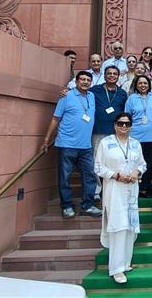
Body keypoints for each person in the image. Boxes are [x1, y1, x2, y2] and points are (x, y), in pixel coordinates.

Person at [94, 112, 146, 283]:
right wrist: (115, 175)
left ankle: (125, 263)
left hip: (131, 189)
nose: (124, 126)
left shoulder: (135, 143)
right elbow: (98, 167)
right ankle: (116, 268)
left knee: (129, 227)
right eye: (121, 123)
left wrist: (137, 172)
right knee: (118, 226)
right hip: (114, 190)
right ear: (115, 125)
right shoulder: (106, 142)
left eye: (127, 124)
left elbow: (142, 164)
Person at [43, 70, 103, 219]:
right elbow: (55, 118)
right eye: (82, 79)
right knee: (65, 177)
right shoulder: (66, 96)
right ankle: (67, 206)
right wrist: (46, 139)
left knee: (89, 176)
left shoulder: (92, 96)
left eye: (88, 80)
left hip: (86, 146)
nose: (85, 82)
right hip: (67, 144)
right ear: (76, 82)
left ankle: (88, 205)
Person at [89, 67, 128, 201]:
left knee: (114, 161)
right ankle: (96, 190)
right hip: (98, 131)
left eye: (115, 74)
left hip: (116, 133)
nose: (112, 76)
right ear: (104, 76)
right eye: (109, 73)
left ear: (118, 76)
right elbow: (81, 93)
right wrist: (66, 92)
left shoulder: (122, 93)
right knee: (96, 161)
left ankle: (113, 187)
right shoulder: (95, 90)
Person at [126, 76, 152, 197]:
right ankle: (134, 187)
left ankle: (145, 188)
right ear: (136, 85)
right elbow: (127, 117)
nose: (143, 85)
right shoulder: (131, 99)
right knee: (135, 163)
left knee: (149, 164)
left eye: (145, 83)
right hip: (136, 137)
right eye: (140, 83)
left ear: (149, 85)